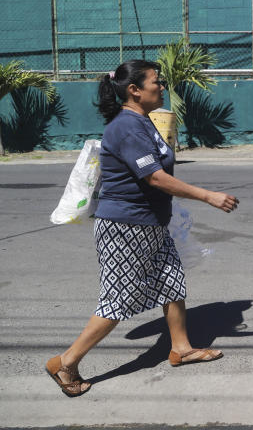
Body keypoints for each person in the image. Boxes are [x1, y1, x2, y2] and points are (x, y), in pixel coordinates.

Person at [44, 59, 239, 397]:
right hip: (125, 227)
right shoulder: (126, 126)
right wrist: (208, 196)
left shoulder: (143, 121)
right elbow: (154, 177)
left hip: (149, 224)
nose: (162, 86)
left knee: (171, 282)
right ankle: (66, 362)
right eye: (156, 82)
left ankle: (181, 348)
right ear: (134, 90)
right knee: (118, 299)